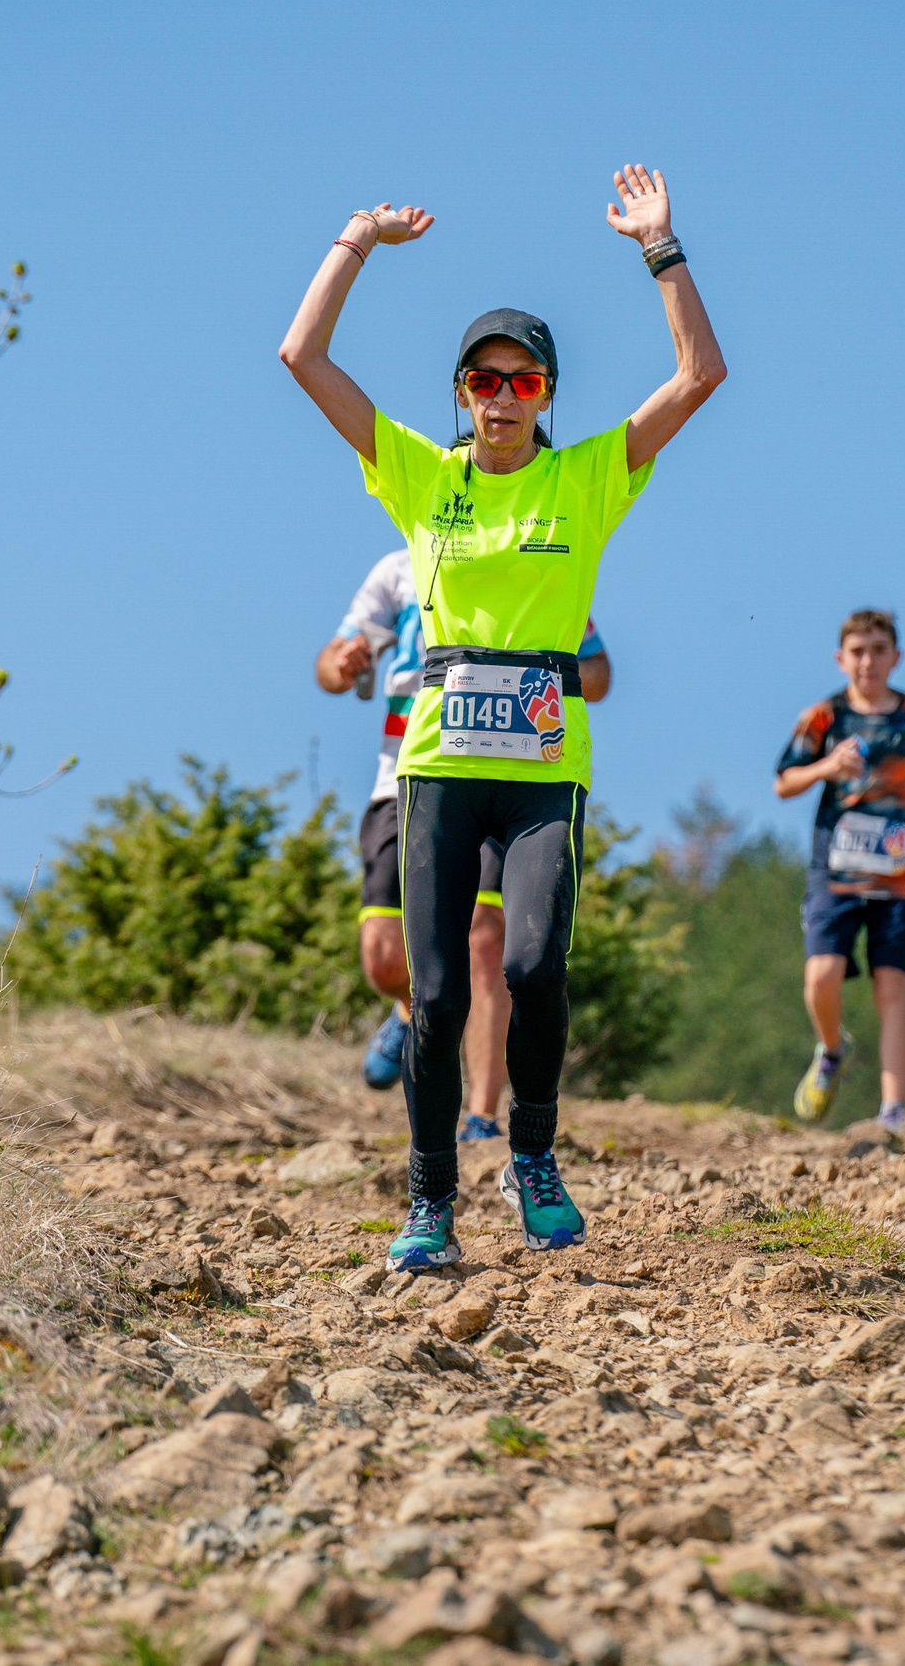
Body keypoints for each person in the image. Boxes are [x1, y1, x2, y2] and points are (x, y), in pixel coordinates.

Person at [279, 167, 725, 1269]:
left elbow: (700, 373)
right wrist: (354, 242)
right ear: (461, 392)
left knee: (529, 971)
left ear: (546, 396)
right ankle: (429, 1200)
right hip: (436, 765)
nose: (501, 395)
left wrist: (659, 249)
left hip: (539, 773)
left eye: (523, 381)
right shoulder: (421, 480)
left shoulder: (586, 480)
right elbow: (302, 359)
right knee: (434, 994)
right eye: (483, 379)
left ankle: (532, 1156)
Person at [316, 564, 612, 1148]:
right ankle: (408, 1011)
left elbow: (599, 674)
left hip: (503, 774)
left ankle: (480, 1116)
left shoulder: (530, 553)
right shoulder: (399, 569)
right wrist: (344, 662)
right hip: (403, 772)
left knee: (485, 937)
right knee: (383, 954)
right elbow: (329, 664)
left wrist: (550, 679)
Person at [774, 608, 905, 1134]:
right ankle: (832, 1051)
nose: (868, 661)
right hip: (836, 868)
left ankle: (893, 1111)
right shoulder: (824, 718)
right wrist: (828, 767)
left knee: (890, 984)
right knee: (821, 976)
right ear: (840, 659)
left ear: (895, 657)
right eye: (858, 651)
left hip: (901, 870)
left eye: (878, 650)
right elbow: (783, 781)